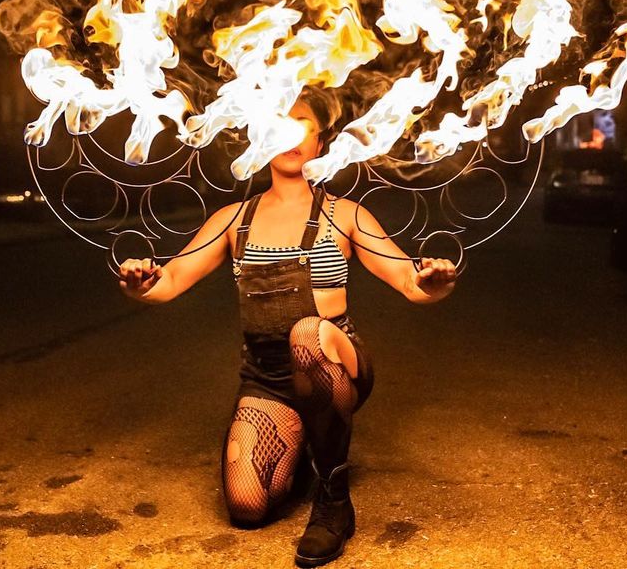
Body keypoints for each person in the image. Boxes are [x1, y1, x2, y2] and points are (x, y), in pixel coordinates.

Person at [117, 94, 457, 567]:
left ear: (319, 144)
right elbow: (169, 281)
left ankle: (334, 501)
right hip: (268, 381)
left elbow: (409, 282)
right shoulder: (233, 220)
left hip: (336, 359)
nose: (288, 134)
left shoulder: (346, 215)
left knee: (308, 335)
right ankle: (300, 449)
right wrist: (140, 284)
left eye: (301, 124)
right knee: (247, 508)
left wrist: (432, 283)